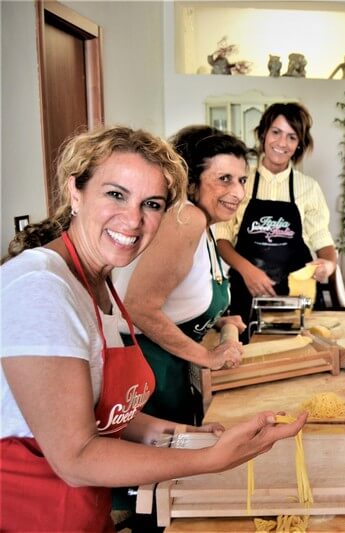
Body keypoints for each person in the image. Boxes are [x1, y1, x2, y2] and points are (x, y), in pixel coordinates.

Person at [0, 126, 307, 532]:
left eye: (152, 204)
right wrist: (209, 459)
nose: (133, 219)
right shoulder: (40, 287)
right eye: (116, 194)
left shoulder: (99, 283)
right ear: (76, 191)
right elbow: (75, 458)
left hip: (81, 515)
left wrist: (191, 435)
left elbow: (105, 414)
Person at [113, 125, 249, 427]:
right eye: (224, 179)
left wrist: (217, 321)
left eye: (242, 180)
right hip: (149, 374)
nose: (238, 192)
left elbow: (176, 299)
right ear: (192, 182)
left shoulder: (204, 226)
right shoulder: (187, 218)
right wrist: (208, 357)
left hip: (171, 370)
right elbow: (138, 306)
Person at [216, 102, 337, 336]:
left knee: (299, 353)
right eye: (276, 132)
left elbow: (323, 241)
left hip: (296, 300)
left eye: (292, 137)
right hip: (246, 296)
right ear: (263, 134)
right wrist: (248, 271)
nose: (282, 143)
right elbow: (222, 239)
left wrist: (329, 265)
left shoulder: (308, 188)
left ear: (299, 144)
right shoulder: (240, 180)